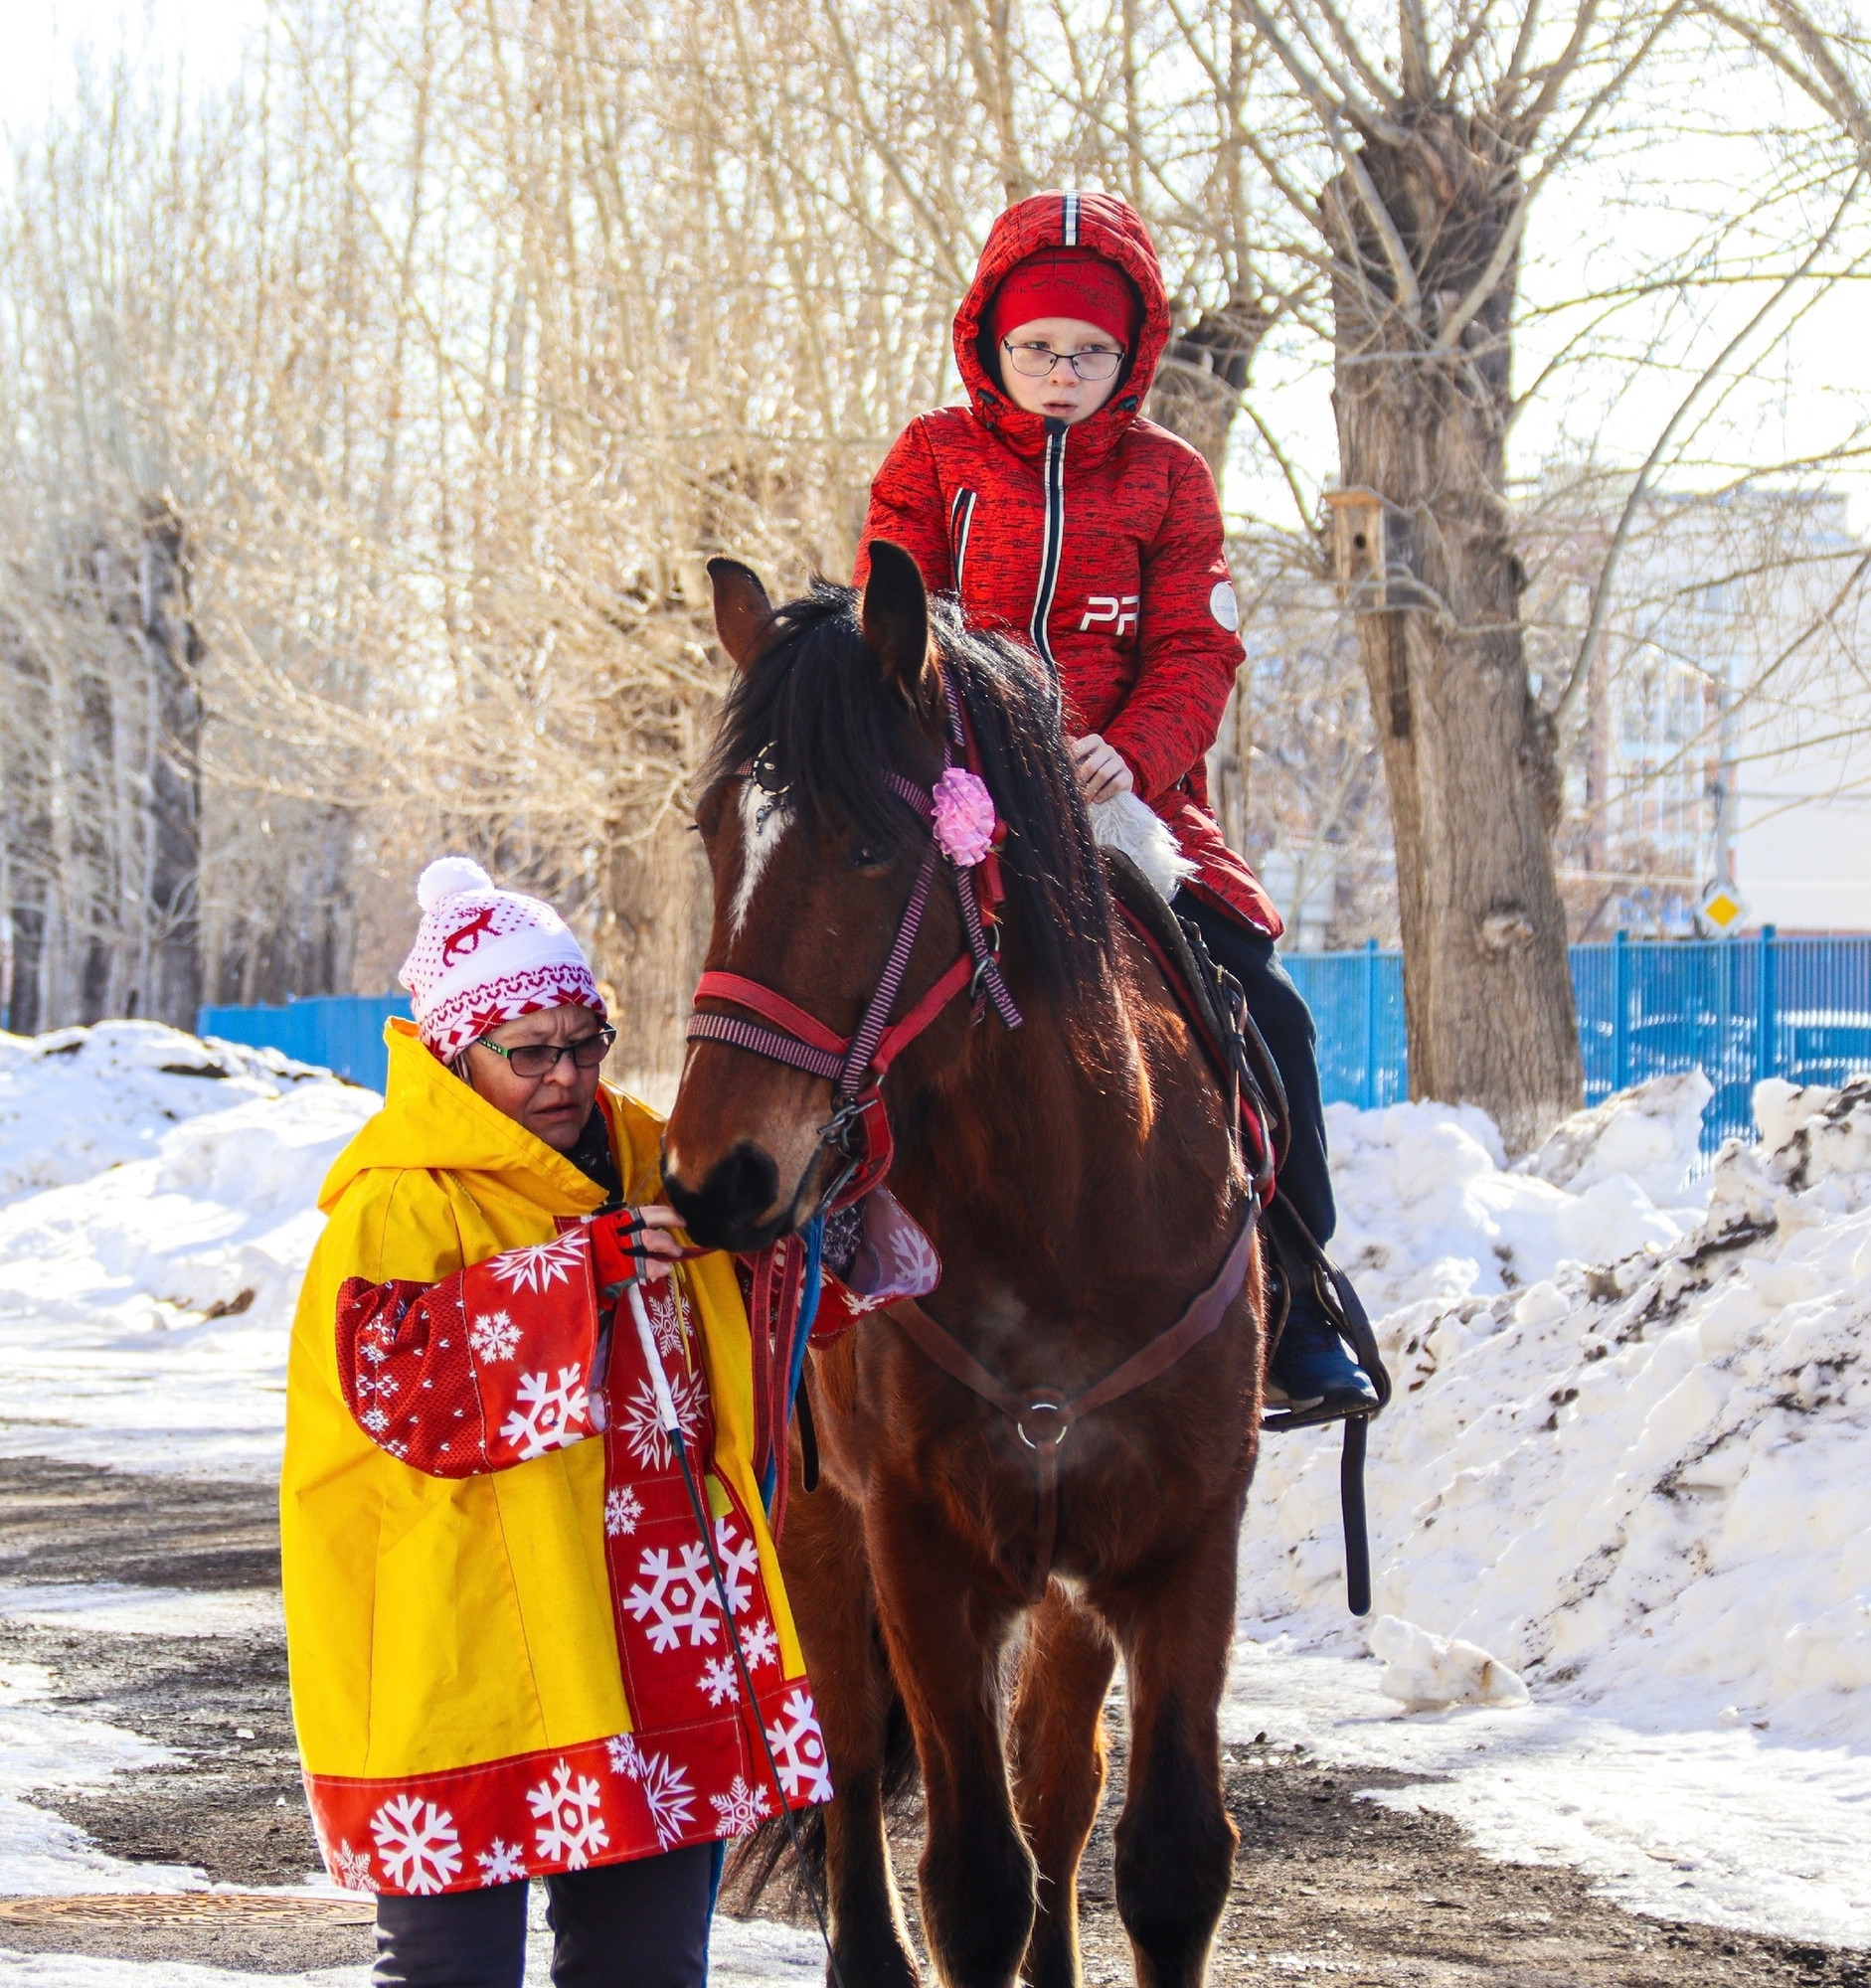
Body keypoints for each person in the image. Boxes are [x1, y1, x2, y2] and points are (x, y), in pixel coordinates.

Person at [856, 189, 1375, 1412]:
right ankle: (819, 1258)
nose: (1059, 372)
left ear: (1130, 353)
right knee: (849, 976)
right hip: (956, 790)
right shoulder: (928, 459)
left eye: (1088, 352)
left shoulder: (1169, 480)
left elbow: (1201, 648)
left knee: (1267, 1006)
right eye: (1036, 348)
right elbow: (892, 631)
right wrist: (954, 752)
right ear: (987, 338)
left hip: (1121, 801)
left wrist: (1130, 754)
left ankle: (1295, 1294)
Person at [281, 858, 828, 1988]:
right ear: (453, 1051)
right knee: (450, 1977)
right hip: (466, 1655)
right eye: (527, 1051)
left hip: (654, 1635)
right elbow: (406, 1390)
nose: (565, 1074)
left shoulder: (652, 1155)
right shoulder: (400, 1196)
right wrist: (585, 1270)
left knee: (647, 1969)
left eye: (585, 1041)